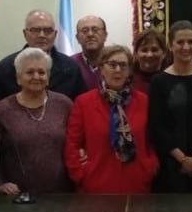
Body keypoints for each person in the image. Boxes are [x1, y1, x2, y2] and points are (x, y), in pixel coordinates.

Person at [65, 45, 158, 193]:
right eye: (112, 64)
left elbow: (151, 141)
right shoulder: (83, 102)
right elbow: (72, 144)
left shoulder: (144, 101)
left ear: (129, 71)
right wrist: (80, 174)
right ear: (101, 68)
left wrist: (150, 166)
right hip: (96, 186)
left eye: (123, 65)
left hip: (137, 184)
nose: (118, 70)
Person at [0, 47, 74, 196]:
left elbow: (76, 144)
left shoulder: (64, 104)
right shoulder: (1, 110)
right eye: (29, 72)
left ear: (48, 77)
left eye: (42, 72)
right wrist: (0, 183)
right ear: (18, 77)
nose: (36, 76)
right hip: (17, 196)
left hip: (64, 194)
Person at [149, 21, 192, 192]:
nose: (186, 47)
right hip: (170, 164)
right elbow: (157, 125)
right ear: (170, 46)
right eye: (180, 42)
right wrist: (182, 159)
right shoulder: (158, 81)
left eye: (191, 42)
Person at [0, 9, 85, 102]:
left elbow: (79, 106)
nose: (42, 35)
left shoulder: (71, 68)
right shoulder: (6, 68)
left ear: (55, 34)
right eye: (35, 30)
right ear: (25, 34)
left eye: (47, 30)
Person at [74, 15, 108, 91]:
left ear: (105, 35)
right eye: (85, 30)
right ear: (77, 38)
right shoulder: (69, 65)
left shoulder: (116, 64)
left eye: (95, 30)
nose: (90, 34)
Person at [132, 28, 168, 95]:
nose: (149, 55)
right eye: (144, 50)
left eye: (154, 50)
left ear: (164, 53)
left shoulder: (172, 78)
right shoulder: (127, 80)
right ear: (135, 54)